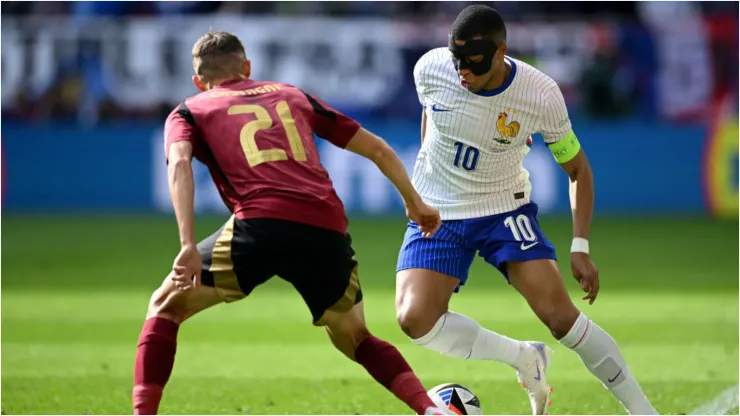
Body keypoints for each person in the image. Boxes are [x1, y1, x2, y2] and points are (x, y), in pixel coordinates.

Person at [132, 31, 447, 416]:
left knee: (165, 306)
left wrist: (187, 244)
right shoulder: (291, 94)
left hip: (258, 223)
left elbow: (179, 164)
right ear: (247, 68)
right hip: (324, 227)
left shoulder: (189, 110)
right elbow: (378, 148)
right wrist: (414, 203)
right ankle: (431, 410)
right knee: (356, 337)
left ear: (198, 81)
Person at [395, 5, 658, 415]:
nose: (463, 72)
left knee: (561, 319)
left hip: (503, 207)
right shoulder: (431, 68)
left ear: (501, 53)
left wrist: (581, 245)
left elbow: (577, 169)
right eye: (458, 61)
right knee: (414, 319)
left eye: (475, 63)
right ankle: (523, 357)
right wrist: (425, 177)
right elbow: (432, 112)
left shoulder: (540, 94)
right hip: (439, 209)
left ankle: (644, 412)